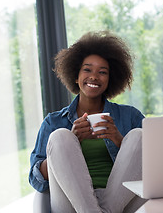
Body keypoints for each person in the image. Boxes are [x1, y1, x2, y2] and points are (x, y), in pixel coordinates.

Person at [29, 31, 146, 213]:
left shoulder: (129, 116)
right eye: (87, 69)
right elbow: (36, 180)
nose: (94, 76)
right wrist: (70, 142)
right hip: (71, 204)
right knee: (61, 136)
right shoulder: (53, 122)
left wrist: (119, 141)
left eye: (102, 72)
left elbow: (155, 169)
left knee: (139, 136)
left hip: (120, 203)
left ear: (110, 79)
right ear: (76, 76)